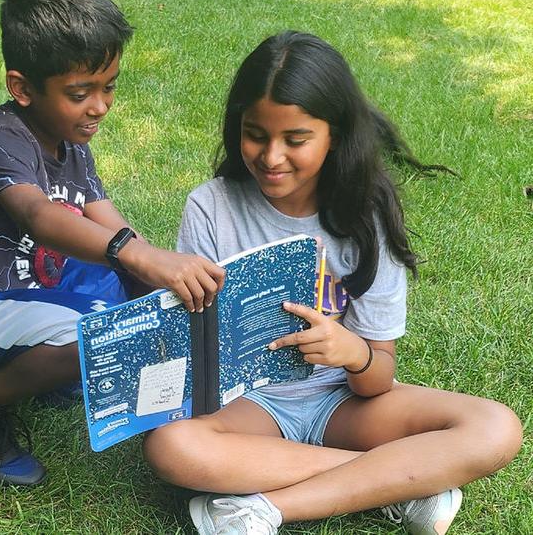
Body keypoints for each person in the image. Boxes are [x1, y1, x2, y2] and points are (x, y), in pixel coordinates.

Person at [142, 31, 522, 534]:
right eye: (255, 133)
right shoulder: (211, 207)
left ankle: (266, 508)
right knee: (170, 447)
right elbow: (197, 364)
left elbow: (378, 378)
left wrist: (352, 351)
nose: (271, 156)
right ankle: (401, 485)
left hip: (344, 401)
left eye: (295, 140)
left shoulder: (366, 218)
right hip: (247, 407)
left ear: (335, 135)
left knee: (496, 428)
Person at [0, 0, 224, 488]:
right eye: (81, 92)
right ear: (22, 88)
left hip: (31, 291)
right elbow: (42, 218)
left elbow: (103, 214)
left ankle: (51, 374)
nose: (99, 106)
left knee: (136, 293)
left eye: (109, 87)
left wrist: (151, 266)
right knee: (101, 331)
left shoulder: (69, 138)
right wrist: (132, 254)